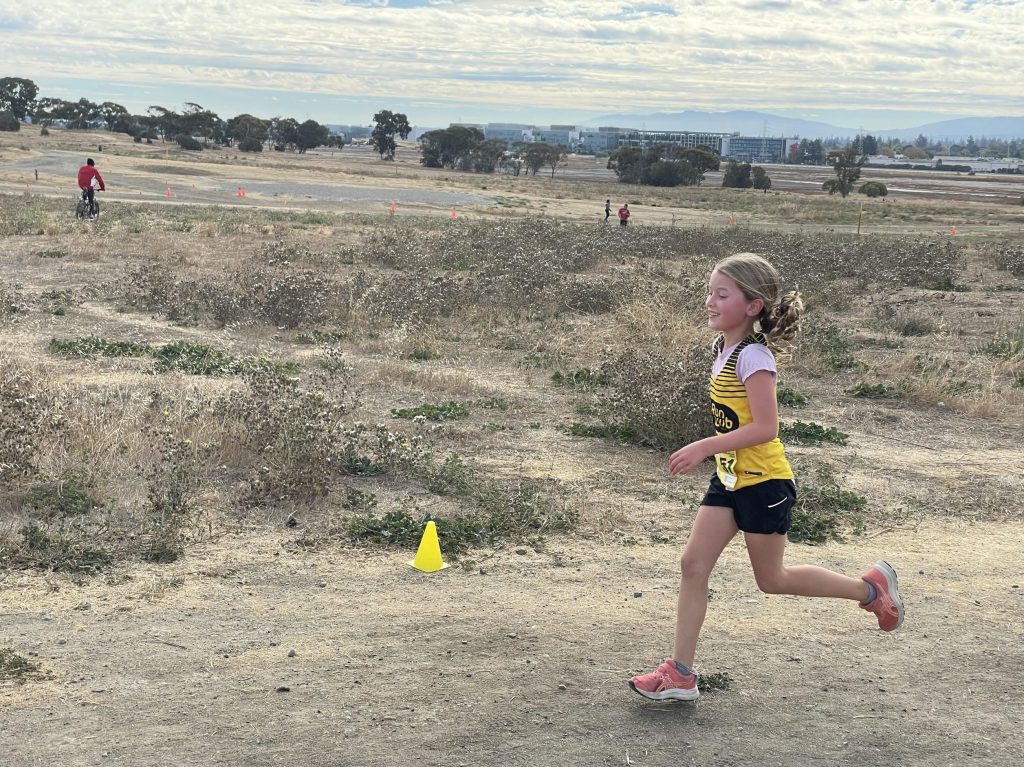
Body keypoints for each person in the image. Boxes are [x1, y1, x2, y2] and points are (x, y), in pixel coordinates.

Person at [628, 253, 904, 703]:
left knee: (772, 579)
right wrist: (714, 455)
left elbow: (765, 428)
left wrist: (702, 446)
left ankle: (870, 589)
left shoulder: (754, 357)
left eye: (722, 294)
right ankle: (680, 675)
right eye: (710, 293)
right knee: (692, 565)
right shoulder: (723, 349)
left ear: (753, 306)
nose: (710, 302)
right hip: (730, 479)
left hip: (764, 483)